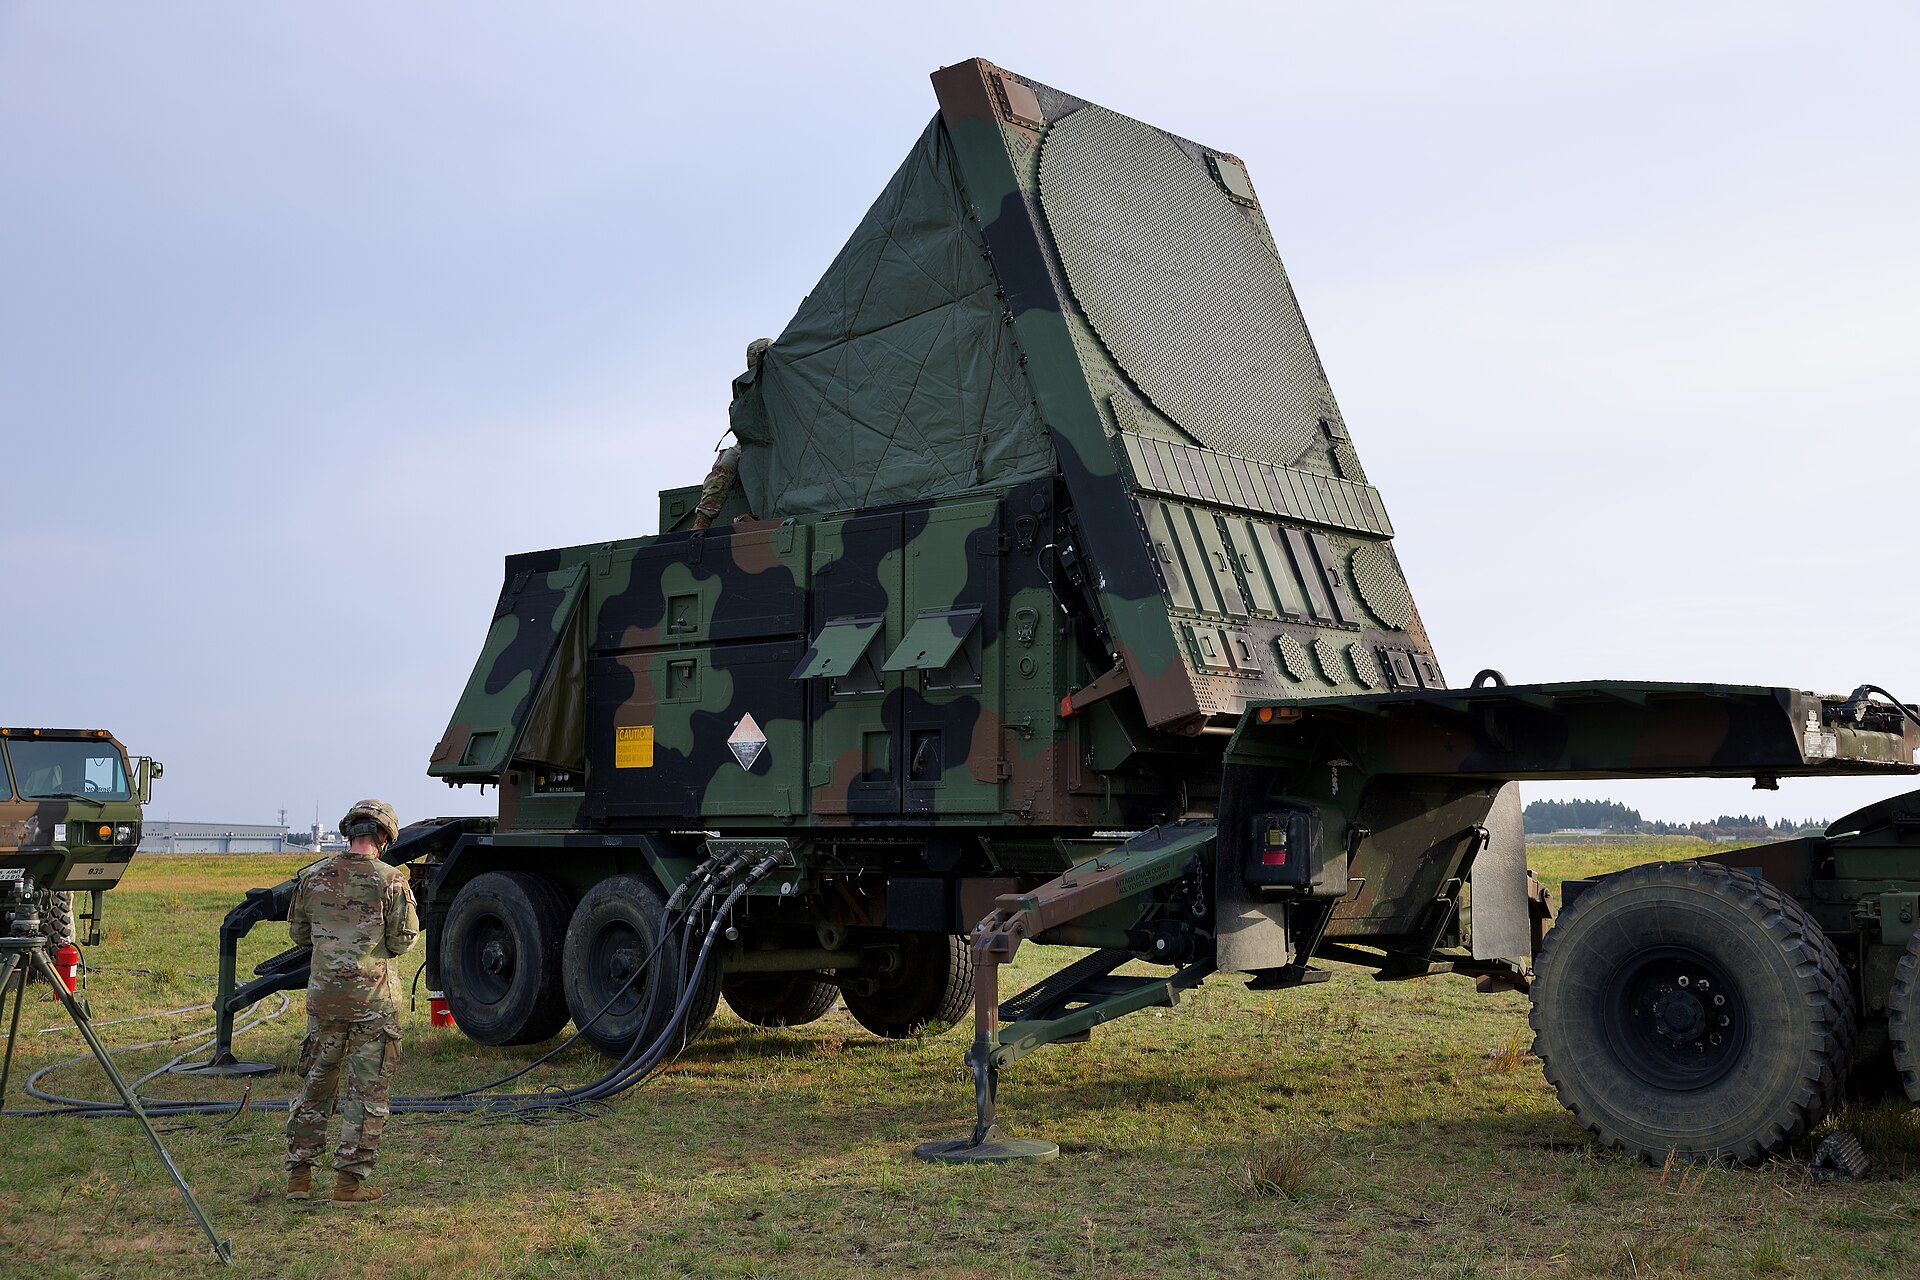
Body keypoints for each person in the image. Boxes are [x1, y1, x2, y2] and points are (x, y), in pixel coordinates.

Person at [282, 799, 418, 1206]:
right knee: (367, 1091)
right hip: (374, 1003)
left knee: (316, 1085)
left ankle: (299, 1180)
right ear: (383, 837)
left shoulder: (313, 876)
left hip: (324, 1002)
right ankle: (348, 1184)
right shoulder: (392, 881)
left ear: (349, 832)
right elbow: (403, 940)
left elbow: (299, 934)